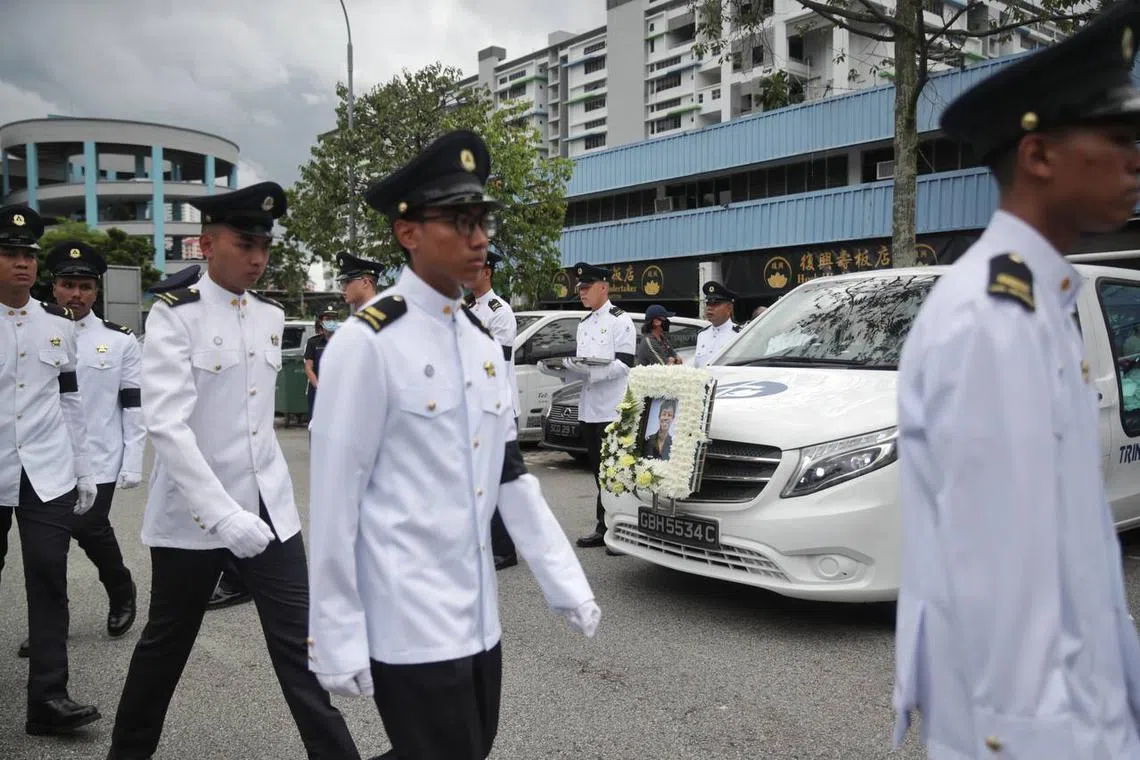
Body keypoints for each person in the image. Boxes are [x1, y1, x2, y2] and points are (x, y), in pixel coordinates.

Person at [893, 4, 1140, 758]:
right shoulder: (993, 322)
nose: (1136, 161)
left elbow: (1078, 564)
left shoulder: (1035, 302)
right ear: (1038, 156)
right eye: (1120, 141)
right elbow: (1007, 607)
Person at [308, 130, 599, 760]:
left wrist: (564, 580)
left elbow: (511, 474)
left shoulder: (475, 338)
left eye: (482, 220)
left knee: (472, 744)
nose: (479, 237)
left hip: (478, 614)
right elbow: (334, 501)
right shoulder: (367, 344)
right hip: (406, 617)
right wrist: (334, 633)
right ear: (407, 233)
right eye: (459, 221)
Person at [106, 182, 360, 760]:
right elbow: (167, 425)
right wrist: (223, 516)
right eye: (246, 243)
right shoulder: (176, 316)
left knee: (301, 649)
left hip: (269, 509)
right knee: (166, 645)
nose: (258, 258)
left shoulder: (270, 314)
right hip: (196, 515)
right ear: (207, 243)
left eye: (265, 246)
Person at [12, 242, 144, 660]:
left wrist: (134, 459)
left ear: (97, 291)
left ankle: (120, 587)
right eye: (68, 285)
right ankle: (53, 627)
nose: (76, 294)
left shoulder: (119, 341)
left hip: (100, 456)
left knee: (88, 528)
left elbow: (134, 405)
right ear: (54, 287)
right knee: (50, 549)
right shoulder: (35, 328)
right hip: (45, 454)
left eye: (85, 286)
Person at [0, 204, 101, 735]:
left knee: (48, 580)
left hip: (46, 472)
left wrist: (84, 469)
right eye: (10, 254)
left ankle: (48, 700)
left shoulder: (56, 326)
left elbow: (70, 403)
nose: (22, 264)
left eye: (28, 256)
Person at [147, 265, 251, 611]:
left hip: (246, 481)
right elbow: (163, 420)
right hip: (187, 485)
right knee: (171, 623)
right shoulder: (172, 321)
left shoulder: (260, 317)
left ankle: (236, 578)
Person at [566, 261, 636, 549]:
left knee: (614, 471)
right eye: (580, 288)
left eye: (586, 287)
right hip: (590, 407)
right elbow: (583, 364)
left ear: (603, 288)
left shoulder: (621, 320)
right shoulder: (584, 324)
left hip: (612, 408)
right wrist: (567, 369)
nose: (581, 293)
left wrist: (591, 371)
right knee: (598, 470)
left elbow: (624, 364)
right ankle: (605, 524)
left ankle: (619, 530)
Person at [462, 249, 519, 570]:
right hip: (473, 406)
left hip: (497, 406)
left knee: (498, 480)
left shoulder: (500, 311)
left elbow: (497, 362)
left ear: (488, 272)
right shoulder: (468, 307)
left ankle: (505, 549)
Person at [303, 306, 340, 420]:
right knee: (315, 424)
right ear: (321, 322)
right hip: (317, 390)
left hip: (337, 390)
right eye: (328, 319)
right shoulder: (313, 342)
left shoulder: (342, 340)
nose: (331, 322)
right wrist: (319, 387)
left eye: (333, 319)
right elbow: (308, 367)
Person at [693, 281, 740, 368]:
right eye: (708, 303)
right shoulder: (702, 335)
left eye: (715, 304)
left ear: (729, 308)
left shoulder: (738, 335)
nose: (710, 308)